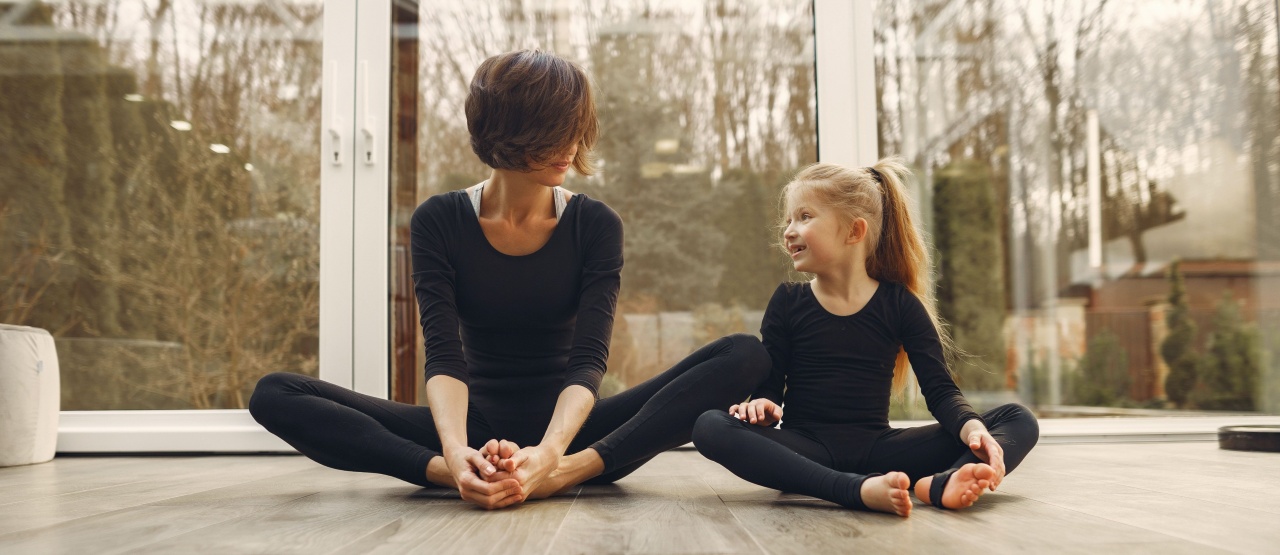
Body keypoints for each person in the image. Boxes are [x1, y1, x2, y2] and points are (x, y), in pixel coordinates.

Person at [249, 49, 768, 510]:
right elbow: (445, 358)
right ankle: (455, 477)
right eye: (552, 134)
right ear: (506, 135)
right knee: (275, 393)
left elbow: (589, 363)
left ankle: (570, 473)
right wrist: (453, 457)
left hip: (577, 432)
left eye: (575, 129)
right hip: (471, 425)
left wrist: (550, 457)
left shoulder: (595, 224)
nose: (569, 146)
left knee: (746, 354)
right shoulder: (439, 220)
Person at [691, 159, 1039, 517]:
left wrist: (972, 430)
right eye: (788, 220)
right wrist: (761, 407)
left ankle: (942, 483)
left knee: (1017, 418)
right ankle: (853, 489)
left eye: (805, 217)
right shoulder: (787, 301)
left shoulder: (900, 304)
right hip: (806, 450)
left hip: (880, 450)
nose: (789, 231)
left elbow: (941, 391)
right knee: (709, 426)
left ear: (854, 232)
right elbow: (769, 389)